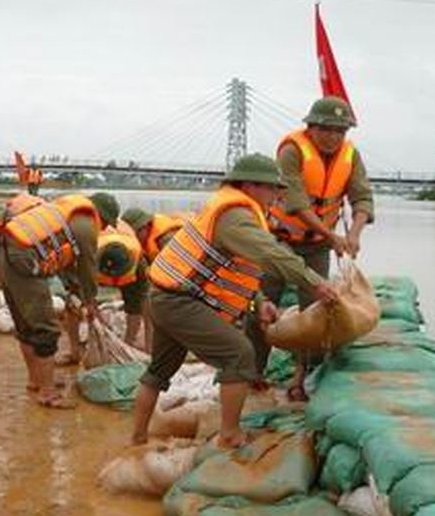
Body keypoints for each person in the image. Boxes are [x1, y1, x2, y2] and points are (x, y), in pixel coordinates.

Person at [131, 154, 338, 449]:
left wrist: (260, 301)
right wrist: (315, 282)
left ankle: (137, 438)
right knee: (239, 353)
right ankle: (229, 434)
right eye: (272, 189)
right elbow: (270, 254)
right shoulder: (236, 215)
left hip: (166, 298)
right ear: (251, 186)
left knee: (158, 371)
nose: (277, 196)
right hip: (181, 302)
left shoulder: (229, 210)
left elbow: (236, 270)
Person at [260, 95, 375, 400]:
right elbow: (296, 203)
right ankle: (252, 372)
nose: (332, 137)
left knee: (316, 309)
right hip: (277, 243)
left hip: (317, 247)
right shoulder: (292, 151)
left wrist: (354, 231)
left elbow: (362, 197)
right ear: (311, 127)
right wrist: (333, 235)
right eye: (325, 129)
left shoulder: (350, 156)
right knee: (262, 304)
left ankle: (302, 376)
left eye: (340, 131)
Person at [0, 191, 119, 407]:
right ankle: (47, 393)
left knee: (25, 324)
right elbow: (88, 267)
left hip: (6, 254)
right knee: (46, 328)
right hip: (23, 259)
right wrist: (90, 300)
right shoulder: (87, 226)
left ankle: (36, 381)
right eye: (106, 225)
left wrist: (74, 291)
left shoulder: (68, 217)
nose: (104, 230)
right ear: (103, 216)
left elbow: (65, 260)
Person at [95, 223, 150, 349]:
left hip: (130, 262)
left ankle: (129, 343)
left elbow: (138, 304)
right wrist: (98, 323)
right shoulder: (88, 254)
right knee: (77, 304)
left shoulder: (138, 261)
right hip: (99, 252)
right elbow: (84, 294)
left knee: (142, 304)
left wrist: (127, 345)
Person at [120, 207, 186, 263]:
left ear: (144, 226)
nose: (133, 238)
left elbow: (177, 266)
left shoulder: (165, 239)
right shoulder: (145, 237)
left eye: (134, 234)